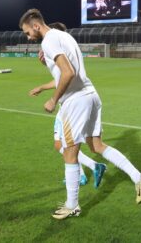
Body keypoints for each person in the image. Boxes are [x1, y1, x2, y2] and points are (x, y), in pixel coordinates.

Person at [20, 9, 141, 220]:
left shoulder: (49, 41)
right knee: (96, 146)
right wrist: (48, 64)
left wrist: (53, 99)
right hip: (91, 94)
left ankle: (72, 205)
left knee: (69, 152)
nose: (28, 37)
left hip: (76, 101)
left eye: (27, 32)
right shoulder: (64, 36)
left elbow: (69, 73)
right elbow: (67, 71)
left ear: (36, 25)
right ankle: (139, 178)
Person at [31, 22, 107, 188]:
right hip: (75, 101)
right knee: (66, 145)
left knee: (63, 145)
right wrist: (43, 82)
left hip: (69, 105)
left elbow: (66, 76)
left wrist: (52, 99)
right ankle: (85, 173)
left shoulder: (55, 45)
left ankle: (89, 170)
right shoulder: (64, 47)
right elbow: (60, 77)